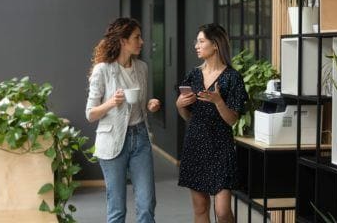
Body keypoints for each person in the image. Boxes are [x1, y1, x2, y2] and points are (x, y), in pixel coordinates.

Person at [85, 17, 160, 223]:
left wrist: (150, 105)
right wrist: (110, 103)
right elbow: (90, 114)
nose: (142, 41)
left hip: (140, 138)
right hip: (112, 141)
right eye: (137, 37)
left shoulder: (142, 68)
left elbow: (140, 104)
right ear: (123, 41)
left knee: (146, 204)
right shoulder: (103, 70)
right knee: (117, 209)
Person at [176, 23, 248, 223]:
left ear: (215, 44)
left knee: (223, 211)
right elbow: (188, 116)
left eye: (201, 41)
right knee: (200, 209)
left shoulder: (233, 77)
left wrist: (218, 101)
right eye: (196, 42)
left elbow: (232, 119)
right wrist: (180, 104)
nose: (196, 46)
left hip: (221, 147)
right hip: (196, 145)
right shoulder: (193, 74)